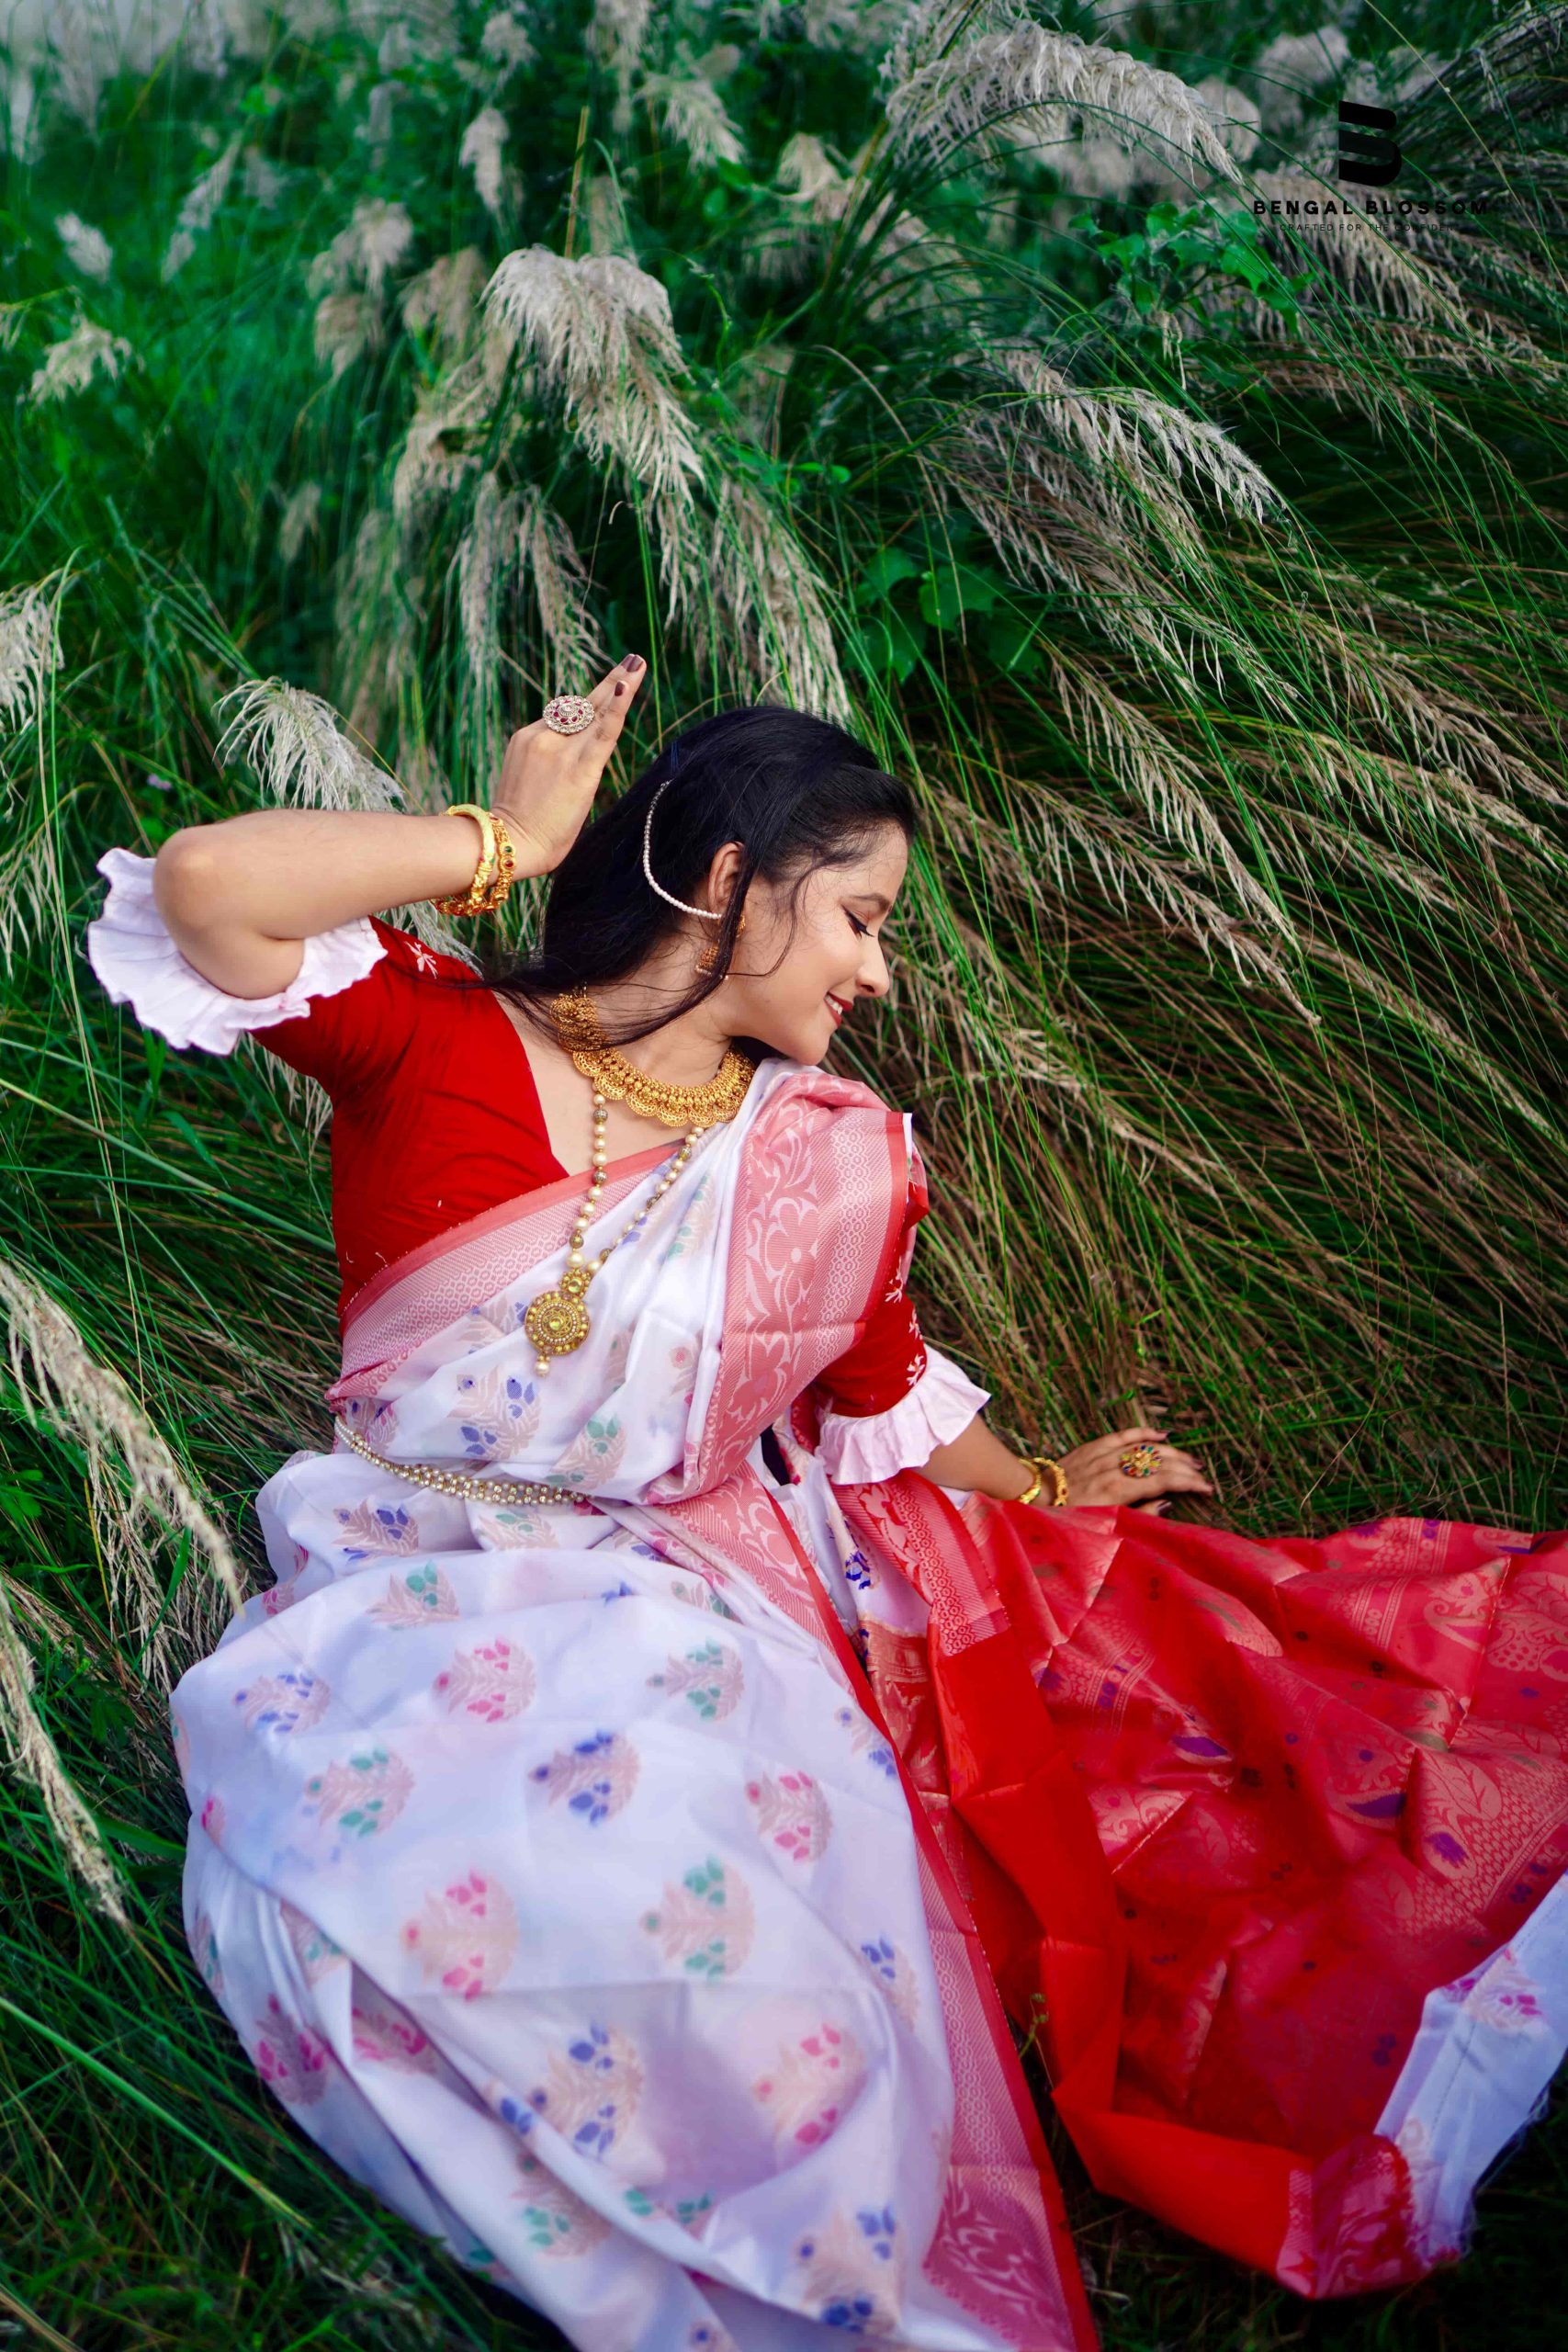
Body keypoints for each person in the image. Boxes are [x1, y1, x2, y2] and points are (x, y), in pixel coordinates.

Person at [85, 663, 1568, 2351]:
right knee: (455, 1861)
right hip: (418, 1569)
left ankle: (825, 2235)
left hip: (698, 1589)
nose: (876, 966)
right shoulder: (426, 1033)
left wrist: (1047, 1488)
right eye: (859, 914)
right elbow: (207, 884)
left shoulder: (828, 1151)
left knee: (714, 1846)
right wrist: (506, 834)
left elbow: (880, 1395)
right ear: (728, 883)